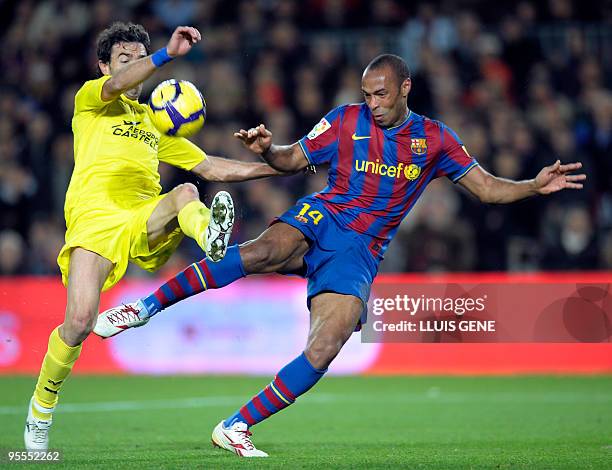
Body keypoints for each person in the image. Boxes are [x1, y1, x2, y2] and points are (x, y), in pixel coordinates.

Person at [94, 54, 586, 457]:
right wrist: (268, 149)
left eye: (382, 94)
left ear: (406, 88)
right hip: (323, 216)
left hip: (362, 251)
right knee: (260, 251)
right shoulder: (345, 120)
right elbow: (290, 160)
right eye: (367, 93)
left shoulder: (435, 139)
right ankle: (143, 308)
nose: (372, 103)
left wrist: (531, 186)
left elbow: (488, 189)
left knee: (325, 346)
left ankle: (235, 426)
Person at [24, 22, 287, 451]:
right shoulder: (91, 101)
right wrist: (165, 54)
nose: (135, 69)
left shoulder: (157, 122)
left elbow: (210, 168)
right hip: (94, 220)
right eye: (124, 60)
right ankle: (41, 407)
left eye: (139, 59)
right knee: (78, 323)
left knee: (186, 190)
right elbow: (118, 85)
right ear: (104, 66)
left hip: (143, 214)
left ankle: (210, 238)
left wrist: (280, 164)